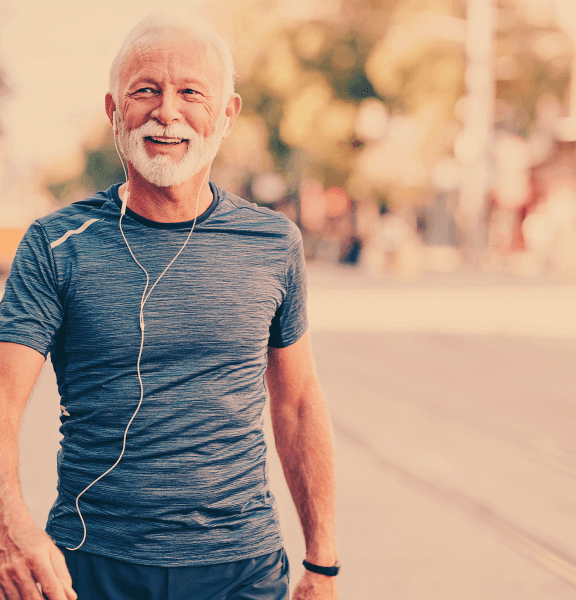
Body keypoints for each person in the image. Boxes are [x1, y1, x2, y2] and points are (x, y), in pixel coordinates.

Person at [0, 13, 338, 600]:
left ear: (227, 115)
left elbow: (299, 403)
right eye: (146, 91)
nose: (167, 111)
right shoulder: (55, 244)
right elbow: (3, 397)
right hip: (90, 566)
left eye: (191, 93)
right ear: (113, 110)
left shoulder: (273, 242)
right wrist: (9, 529)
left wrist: (322, 562)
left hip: (243, 568)